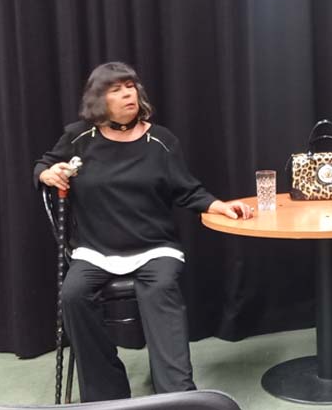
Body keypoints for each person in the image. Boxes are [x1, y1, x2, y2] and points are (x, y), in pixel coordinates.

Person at [33, 61, 252, 402]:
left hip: (154, 247)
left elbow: (187, 190)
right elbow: (44, 164)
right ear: (99, 99)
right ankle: (106, 394)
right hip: (95, 249)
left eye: (130, 86)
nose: (127, 94)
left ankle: (176, 396)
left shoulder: (161, 140)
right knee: (73, 296)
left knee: (161, 288)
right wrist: (46, 174)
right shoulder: (78, 138)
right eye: (115, 89)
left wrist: (217, 205)